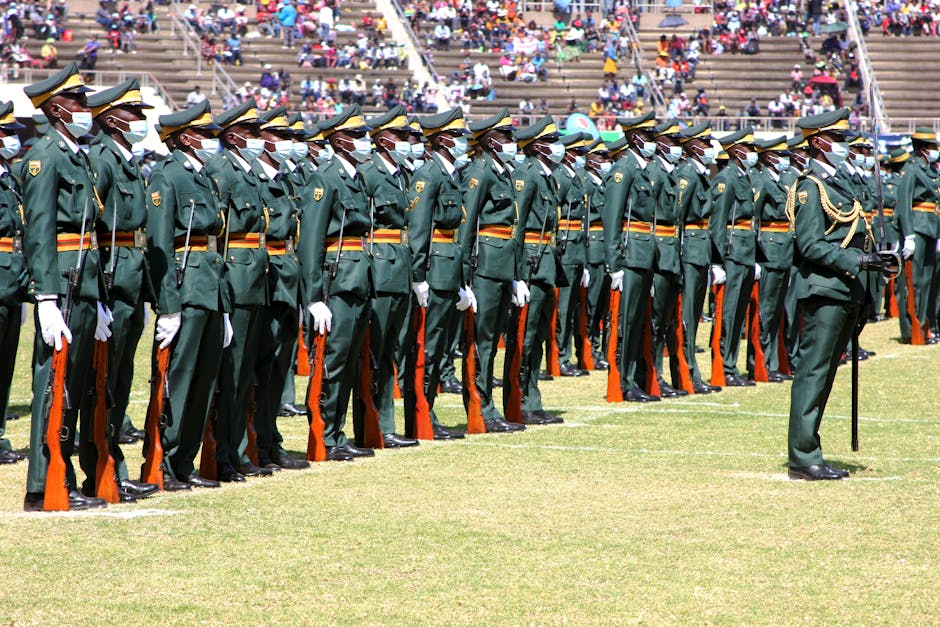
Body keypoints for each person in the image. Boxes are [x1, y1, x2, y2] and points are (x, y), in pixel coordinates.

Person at [21, 63, 111, 511]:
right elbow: (38, 230)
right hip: (63, 283)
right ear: (57, 109)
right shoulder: (45, 155)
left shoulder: (78, 155)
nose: (85, 108)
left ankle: (64, 474)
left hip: (85, 283)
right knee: (52, 385)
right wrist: (45, 297)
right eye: (78, 102)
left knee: (73, 386)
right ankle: (42, 483)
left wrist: (101, 298)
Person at [786, 108, 893, 480]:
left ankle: (810, 447)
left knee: (826, 373)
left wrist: (873, 260)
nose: (844, 147)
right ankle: (802, 456)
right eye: (839, 140)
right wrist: (858, 260)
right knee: (813, 373)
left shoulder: (838, 182)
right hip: (824, 289)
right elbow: (810, 245)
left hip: (846, 289)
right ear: (819, 142)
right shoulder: (810, 187)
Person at [144, 100, 229, 491]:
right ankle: (162, 458)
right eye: (205, 134)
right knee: (178, 377)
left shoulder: (203, 176)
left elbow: (216, 241)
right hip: (186, 284)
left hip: (210, 285)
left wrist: (224, 307)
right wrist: (168, 305)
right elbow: (160, 243)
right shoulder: (167, 176)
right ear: (183, 138)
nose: (212, 140)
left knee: (204, 379)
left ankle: (184, 461)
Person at [84, 79, 160, 502]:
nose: (142, 122)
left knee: (120, 378)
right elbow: (92, 231)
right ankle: (102, 467)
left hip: (130, 278)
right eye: (135, 114)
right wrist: (96, 294)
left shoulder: (127, 161)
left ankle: (113, 461)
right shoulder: (103, 160)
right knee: (104, 381)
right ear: (113, 119)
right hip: (111, 279)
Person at [298, 104, 377, 461]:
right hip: (337, 281)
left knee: (348, 361)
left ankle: (337, 432)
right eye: (358, 136)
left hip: (358, 278)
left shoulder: (354, 177)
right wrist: (313, 297)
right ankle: (325, 435)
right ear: (341, 141)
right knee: (333, 360)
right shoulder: (326, 177)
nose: (365, 142)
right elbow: (312, 239)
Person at [204, 100, 272, 483]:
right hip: (236, 278)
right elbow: (217, 234)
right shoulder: (220, 169)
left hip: (255, 279)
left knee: (245, 374)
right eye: (254, 132)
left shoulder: (250, 171)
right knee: (229, 375)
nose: (260, 139)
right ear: (232, 136)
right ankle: (223, 455)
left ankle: (239, 450)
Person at [404, 107, 474, 440]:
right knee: (427, 349)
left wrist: (461, 282)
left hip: (448, 272)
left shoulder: (450, 175)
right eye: (458, 137)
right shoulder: (428, 175)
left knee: (441, 347)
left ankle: (427, 409)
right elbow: (419, 231)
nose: (463, 142)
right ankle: (422, 413)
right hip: (433, 271)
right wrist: (419, 277)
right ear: (443, 139)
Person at [247, 107, 310, 470]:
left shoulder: (284, 179)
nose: (290, 144)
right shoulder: (253, 177)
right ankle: (251, 442)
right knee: (257, 367)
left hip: (287, 277)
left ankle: (270, 440)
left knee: (276, 367)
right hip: (264, 277)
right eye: (283, 137)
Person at [354, 105, 420, 448]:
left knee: (392, 348)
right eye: (402, 137)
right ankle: (373, 425)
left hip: (399, 266)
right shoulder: (370, 174)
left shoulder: (401, 174)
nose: (408, 142)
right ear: (382, 140)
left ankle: (386, 423)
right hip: (378, 266)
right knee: (374, 351)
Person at [461, 109, 528, 432]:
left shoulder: (501, 172)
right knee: (481, 341)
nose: (512, 142)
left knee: (492, 340)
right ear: (490, 140)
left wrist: (516, 274)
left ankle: (489, 406)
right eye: (506, 136)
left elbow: (512, 229)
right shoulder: (480, 172)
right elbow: (467, 225)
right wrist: (465, 277)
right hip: (484, 266)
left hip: (501, 266)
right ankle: (481, 407)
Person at [507, 115, 565, 424]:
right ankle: (521, 400)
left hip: (546, 262)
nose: (558, 148)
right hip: (531, 261)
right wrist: (517, 274)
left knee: (539, 334)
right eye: (553, 143)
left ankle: (532, 397)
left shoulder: (546, 176)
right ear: (538, 146)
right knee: (526, 337)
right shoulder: (527, 175)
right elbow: (517, 227)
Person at [603, 113, 662, 402]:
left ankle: (633, 379)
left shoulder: (644, 171)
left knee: (638, 321)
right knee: (626, 323)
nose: (653, 142)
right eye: (649, 137)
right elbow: (612, 219)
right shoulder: (623, 170)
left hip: (643, 255)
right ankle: (623, 382)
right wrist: (614, 265)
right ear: (636, 138)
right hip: (629, 257)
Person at [709, 127, 760, 387]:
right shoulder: (727, 178)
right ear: (737, 151)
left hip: (744, 253)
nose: (753, 153)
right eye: (750, 148)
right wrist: (716, 261)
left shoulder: (743, 177)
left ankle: (731, 365)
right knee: (728, 313)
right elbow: (718, 222)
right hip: (731, 253)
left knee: (739, 312)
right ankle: (723, 367)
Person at [675, 122, 722, 394]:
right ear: (694, 147)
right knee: (687, 317)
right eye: (705, 144)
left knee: (693, 317)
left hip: (699, 250)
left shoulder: (698, 173)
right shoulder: (688, 175)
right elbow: (678, 216)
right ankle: (687, 372)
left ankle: (691, 370)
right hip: (689, 251)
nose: (709, 149)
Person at [753, 136, 796, 381]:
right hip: (769, 250)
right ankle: (762, 363)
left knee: (778, 310)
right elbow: (754, 220)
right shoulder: (762, 180)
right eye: (779, 156)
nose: (783, 160)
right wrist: (756, 255)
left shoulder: (782, 180)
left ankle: (774, 361)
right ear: (768, 157)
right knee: (766, 311)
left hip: (783, 251)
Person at [552, 132, 592, 377]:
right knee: (563, 308)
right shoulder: (560, 177)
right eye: (577, 153)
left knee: (573, 307)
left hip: (576, 249)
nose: (580, 157)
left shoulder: (574, 177)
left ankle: (564, 355)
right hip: (565, 249)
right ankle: (560, 356)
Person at [895, 127, 939, 344]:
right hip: (918, 228)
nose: (935, 150)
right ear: (923, 149)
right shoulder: (911, 170)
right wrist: (908, 235)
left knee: (928, 281)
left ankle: (924, 325)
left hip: (931, 228)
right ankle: (911, 327)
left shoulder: (929, 170)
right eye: (932, 147)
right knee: (914, 282)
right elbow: (904, 202)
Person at [0, 101, 26, 466]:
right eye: (6, 134)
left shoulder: (10, 177)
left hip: (11, 278)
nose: (12, 140)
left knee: (5, 363)